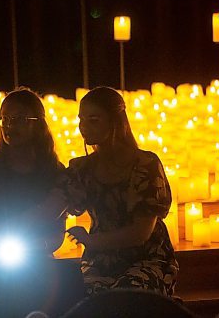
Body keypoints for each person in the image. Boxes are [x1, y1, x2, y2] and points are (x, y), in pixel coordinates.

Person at [0, 87, 84, 318]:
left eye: (19, 119)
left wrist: (30, 248)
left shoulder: (53, 173)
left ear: (37, 123)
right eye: (5, 119)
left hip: (37, 263)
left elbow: (56, 235)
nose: (10, 126)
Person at [64, 86, 178, 296]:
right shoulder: (82, 169)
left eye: (93, 120)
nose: (83, 127)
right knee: (87, 295)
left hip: (146, 258)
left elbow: (140, 233)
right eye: (81, 120)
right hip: (101, 260)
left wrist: (90, 241)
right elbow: (61, 201)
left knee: (127, 295)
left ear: (115, 121)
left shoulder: (145, 166)